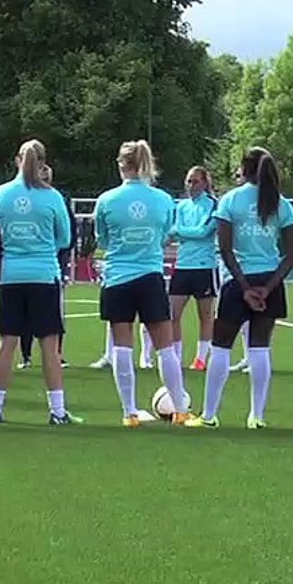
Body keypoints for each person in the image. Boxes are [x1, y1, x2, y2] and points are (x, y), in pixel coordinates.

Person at [185, 148, 293, 428]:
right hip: (269, 281)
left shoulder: (230, 200)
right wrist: (269, 287)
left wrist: (245, 287)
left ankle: (209, 415)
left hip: (237, 283)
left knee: (221, 347)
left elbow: (225, 249)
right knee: (260, 348)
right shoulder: (281, 203)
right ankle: (257, 416)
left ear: (244, 169)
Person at [94, 140, 189, 426]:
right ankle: (181, 410)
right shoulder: (162, 199)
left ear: (122, 165)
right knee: (165, 346)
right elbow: (163, 236)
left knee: (122, 348)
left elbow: (103, 240)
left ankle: (129, 412)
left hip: (118, 278)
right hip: (150, 276)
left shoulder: (107, 200)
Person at [0, 141, 80, 424]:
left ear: (17, 160)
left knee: (6, 343)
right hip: (43, 274)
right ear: (43, 164)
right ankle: (57, 410)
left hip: (11, 275)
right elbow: (64, 238)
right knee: (49, 347)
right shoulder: (52, 197)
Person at [19, 164, 74, 369]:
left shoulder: (55, 199)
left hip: (48, 266)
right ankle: (27, 355)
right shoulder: (28, 200)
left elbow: (68, 236)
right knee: (27, 317)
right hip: (41, 267)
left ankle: (56, 355)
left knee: (55, 316)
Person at [168, 166, 220, 372]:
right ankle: (176, 357)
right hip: (183, 265)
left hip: (204, 266)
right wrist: (181, 232)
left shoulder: (213, 205)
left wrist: (180, 233)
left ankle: (201, 358)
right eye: (189, 181)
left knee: (205, 315)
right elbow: (172, 230)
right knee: (172, 313)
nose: (191, 186)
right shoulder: (180, 206)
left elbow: (203, 231)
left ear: (205, 183)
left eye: (195, 181)